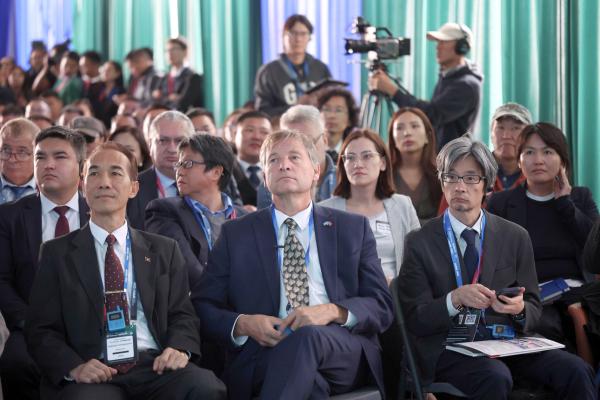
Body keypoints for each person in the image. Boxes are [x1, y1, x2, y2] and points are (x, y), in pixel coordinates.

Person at [193, 129, 393, 398]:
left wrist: (332, 311)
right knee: (311, 385)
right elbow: (203, 305)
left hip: (341, 348)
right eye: (273, 160)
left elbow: (381, 304)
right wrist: (244, 324)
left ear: (316, 171)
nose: (284, 165)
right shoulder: (236, 234)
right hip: (265, 353)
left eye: (294, 157)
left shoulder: (351, 228)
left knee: (307, 336)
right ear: (265, 179)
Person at [397, 135, 596, 399]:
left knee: (575, 369)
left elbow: (534, 305)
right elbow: (415, 318)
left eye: (470, 178)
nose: (459, 187)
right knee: (495, 376)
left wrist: (520, 309)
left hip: (506, 342)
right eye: (451, 177)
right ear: (441, 182)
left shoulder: (515, 236)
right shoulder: (419, 241)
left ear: (487, 184)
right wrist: (453, 299)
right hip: (449, 346)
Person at [24, 141, 226, 400]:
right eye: (94, 173)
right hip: (94, 367)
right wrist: (74, 367)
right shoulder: (56, 253)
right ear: (82, 186)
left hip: (155, 365)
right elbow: (41, 329)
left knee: (206, 387)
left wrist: (179, 348)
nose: (104, 182)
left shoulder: (164, 249)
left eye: (115, 173)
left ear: (134, 188)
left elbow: (182, 314)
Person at [487, 123, 599, 348]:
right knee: (544, 325)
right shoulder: (501, 203)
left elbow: (595, 251)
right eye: (529, 152)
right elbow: (494, 260)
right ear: (520, 161)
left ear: (563, 162)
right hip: (530, 295)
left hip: (580, 292)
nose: (538, 160)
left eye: (547, 152)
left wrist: (565, 205)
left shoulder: (580, 197)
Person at [0, 126, 90, 400]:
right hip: (31, 325)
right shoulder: (10, 217)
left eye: (59, 156)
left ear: (81, 166)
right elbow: (2, 280)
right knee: (15, 362)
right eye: (40, 157)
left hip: (92, 324)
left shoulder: (99, 211)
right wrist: (29, 322)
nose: (48, 164)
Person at [146, 134, 246, 290]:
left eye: (187, 164)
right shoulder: (164, 211)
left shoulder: (245, 218)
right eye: (178, 164)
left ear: (216, 172)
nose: (179, 171)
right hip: (195, 301)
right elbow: (185, 269)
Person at [320, 128, 419, 283]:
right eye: (350, 158)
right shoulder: (324, 211)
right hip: (347, 294)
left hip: (396, 293)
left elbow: (418, 260)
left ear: (383, 163)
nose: (358, 164)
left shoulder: (403, 205)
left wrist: (395, 285)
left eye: (367, 156)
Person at [369, 22, 483, 150]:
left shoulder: (466, 85)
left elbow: (431, 114)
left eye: (443, 42)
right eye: (437, 43)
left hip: (453, 159)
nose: (438, 47)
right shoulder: (448, 77)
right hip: (441, 155)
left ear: (462, 47)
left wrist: (393, 91)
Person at [257, 105, 337, 209]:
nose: (301, 151)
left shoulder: (346, 179)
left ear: (325, 141)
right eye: (289, 144)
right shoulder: (272, 183)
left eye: (309, 143)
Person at [126, 110, 194, 229]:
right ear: (149, 145)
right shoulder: (130, 189)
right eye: (163, 140)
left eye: (180, 141)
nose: (172, 149)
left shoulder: (208, 184)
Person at [254, 14, 332, 117]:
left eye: (303, 34)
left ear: (309, 37)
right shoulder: (268, 72)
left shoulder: (320, 68)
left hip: (316, 123)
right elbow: (263, 112)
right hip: (283, 125)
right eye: (293, 33)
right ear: (283, 36)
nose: (298, 39)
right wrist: (296, 107)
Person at [388, 107, 442, 222]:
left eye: (414, 126)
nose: (407, 133)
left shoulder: (442, 175)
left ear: (427, 136)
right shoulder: (383, 176)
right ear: (392, 139)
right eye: (399, 128)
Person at [231, 110, 272, 207]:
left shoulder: (280, 170)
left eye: (264, 132)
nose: (256, 137)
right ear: (234, 134)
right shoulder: (224, 171)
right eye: (250, 130)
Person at [153, 37, 203, 112]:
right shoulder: (163, 78)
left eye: (174, 49)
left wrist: (163, 97)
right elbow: (155, 101)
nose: (170, 53)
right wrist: (170, 98)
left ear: (185, 52)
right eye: (167, 50)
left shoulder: (193, 77)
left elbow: (183, 104)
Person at [0, 118, 39, 204]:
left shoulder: (50, 191)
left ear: (36, 155)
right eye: (6, 150)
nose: (12, 159)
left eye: (22, 152)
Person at [317, 87, 358, 162]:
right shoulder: (310, 149)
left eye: (339, 110)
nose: (332, 115)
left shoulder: (354, 152)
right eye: (327, 109)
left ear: (349, 120)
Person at [98, 60, 126, 128]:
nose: (105, 72)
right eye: (104, 70)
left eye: (109, 70)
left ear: (117, 73)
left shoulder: (121, 92)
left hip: (112, 126)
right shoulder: (96, 89)